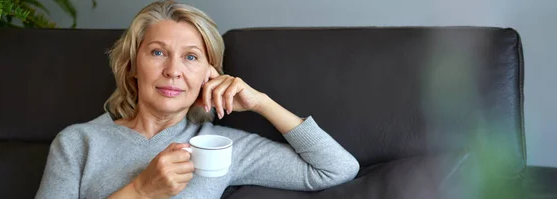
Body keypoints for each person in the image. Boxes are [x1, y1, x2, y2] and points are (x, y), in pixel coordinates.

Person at [35, 1, 359, 198]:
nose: (173, 70)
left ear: (209, 74)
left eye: (191, 58)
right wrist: (140, 192)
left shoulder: (220, 147)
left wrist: (261, 103)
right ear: (133, 65)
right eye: (158, 52)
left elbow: (336, 169)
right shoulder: (77, 142)